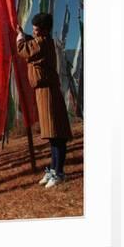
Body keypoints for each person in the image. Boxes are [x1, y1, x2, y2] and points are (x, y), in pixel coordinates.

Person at [16, 13, 72, 188]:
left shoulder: (41, 43)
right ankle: (54, 170)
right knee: (52, 135)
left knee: (57, 135)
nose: (33, 31)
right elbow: (31, 42)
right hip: (44, 92)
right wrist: (23, 34)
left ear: (43, 30)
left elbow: (24, 50)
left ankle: (59, 172)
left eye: (35, 29)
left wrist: (19, 38)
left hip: (48, 92)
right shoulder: (41, 40)